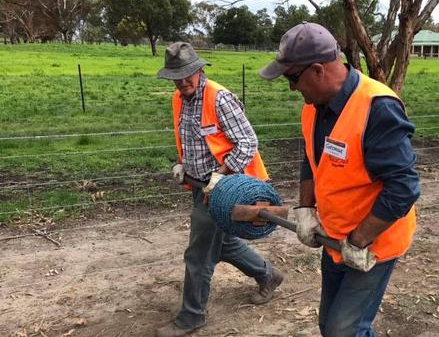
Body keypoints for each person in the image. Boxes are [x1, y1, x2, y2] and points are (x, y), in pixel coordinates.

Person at [259, 22, 420, 337]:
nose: (292, 88)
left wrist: (359, 240)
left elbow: (404, 188)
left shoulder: (378, 108)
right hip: (335, 237)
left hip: (372, 244)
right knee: (329, 325)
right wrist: (306, 209)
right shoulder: (315, 107)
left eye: (293, 78)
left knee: (343, 330)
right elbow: (311, 156)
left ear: (318, 70)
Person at [155, 42, 284, 337]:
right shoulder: (180, 98)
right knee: (221, 243)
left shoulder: (219, 98)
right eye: (178, 76)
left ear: (200, 70)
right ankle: (269, 275)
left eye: (189, 74)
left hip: (224, 189)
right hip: (199, 185)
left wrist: (221, 176)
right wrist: (182, 164)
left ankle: (191, 316)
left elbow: (248, 143)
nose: (184, 81)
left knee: (199, 254)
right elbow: (190, 138)